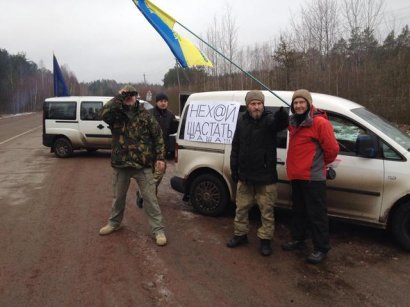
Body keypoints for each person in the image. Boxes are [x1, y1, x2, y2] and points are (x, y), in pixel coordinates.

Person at [98, 85, 167, 246]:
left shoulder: (145, 115)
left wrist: (160, 158)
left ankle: (158, 230)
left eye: (132, 95)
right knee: (118, 198)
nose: (129, 97)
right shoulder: (115, 114)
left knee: (150, 198)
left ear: (137, 97)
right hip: (121, 164)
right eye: (126, 95)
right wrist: (118, 97)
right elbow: (102, 114)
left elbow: (158, 137)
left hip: (142, 165)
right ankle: (114, 223)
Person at [227, 90, 289, 256]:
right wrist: (234, 169)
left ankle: (265, 241)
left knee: (266, 212)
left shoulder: (269, 119)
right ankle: (240, 235)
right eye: (253, 104)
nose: (256, 107)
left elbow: (279, 125)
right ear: (248, 106)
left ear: (263, 105)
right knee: (241, 208)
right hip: (245, 175)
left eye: (259, 104)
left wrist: (283, 116)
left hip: (266, 177)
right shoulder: (241, 120)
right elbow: (236, 147)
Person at [282, 89, 339, 264]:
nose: (298, 106)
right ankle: (298, 239)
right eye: (295, 103)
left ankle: (321, 247)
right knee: (298, 210)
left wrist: (318, 164)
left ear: (308, 103)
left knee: (317, 214)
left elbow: (332, 150)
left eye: (302, 102)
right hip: (296, 175)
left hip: (313, 178)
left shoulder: (320, 123)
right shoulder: (294, 122)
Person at [135, 93, 178, 208]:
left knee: (159, 174)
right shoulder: (149, 114)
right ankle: (150, 196)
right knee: (149, 175)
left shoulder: (170, 115)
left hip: (162, 150)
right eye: (161, 101)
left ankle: (143, 193)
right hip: (149, 150)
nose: (163, 103)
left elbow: (173, 131)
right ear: (156, 102)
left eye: (165, 101)